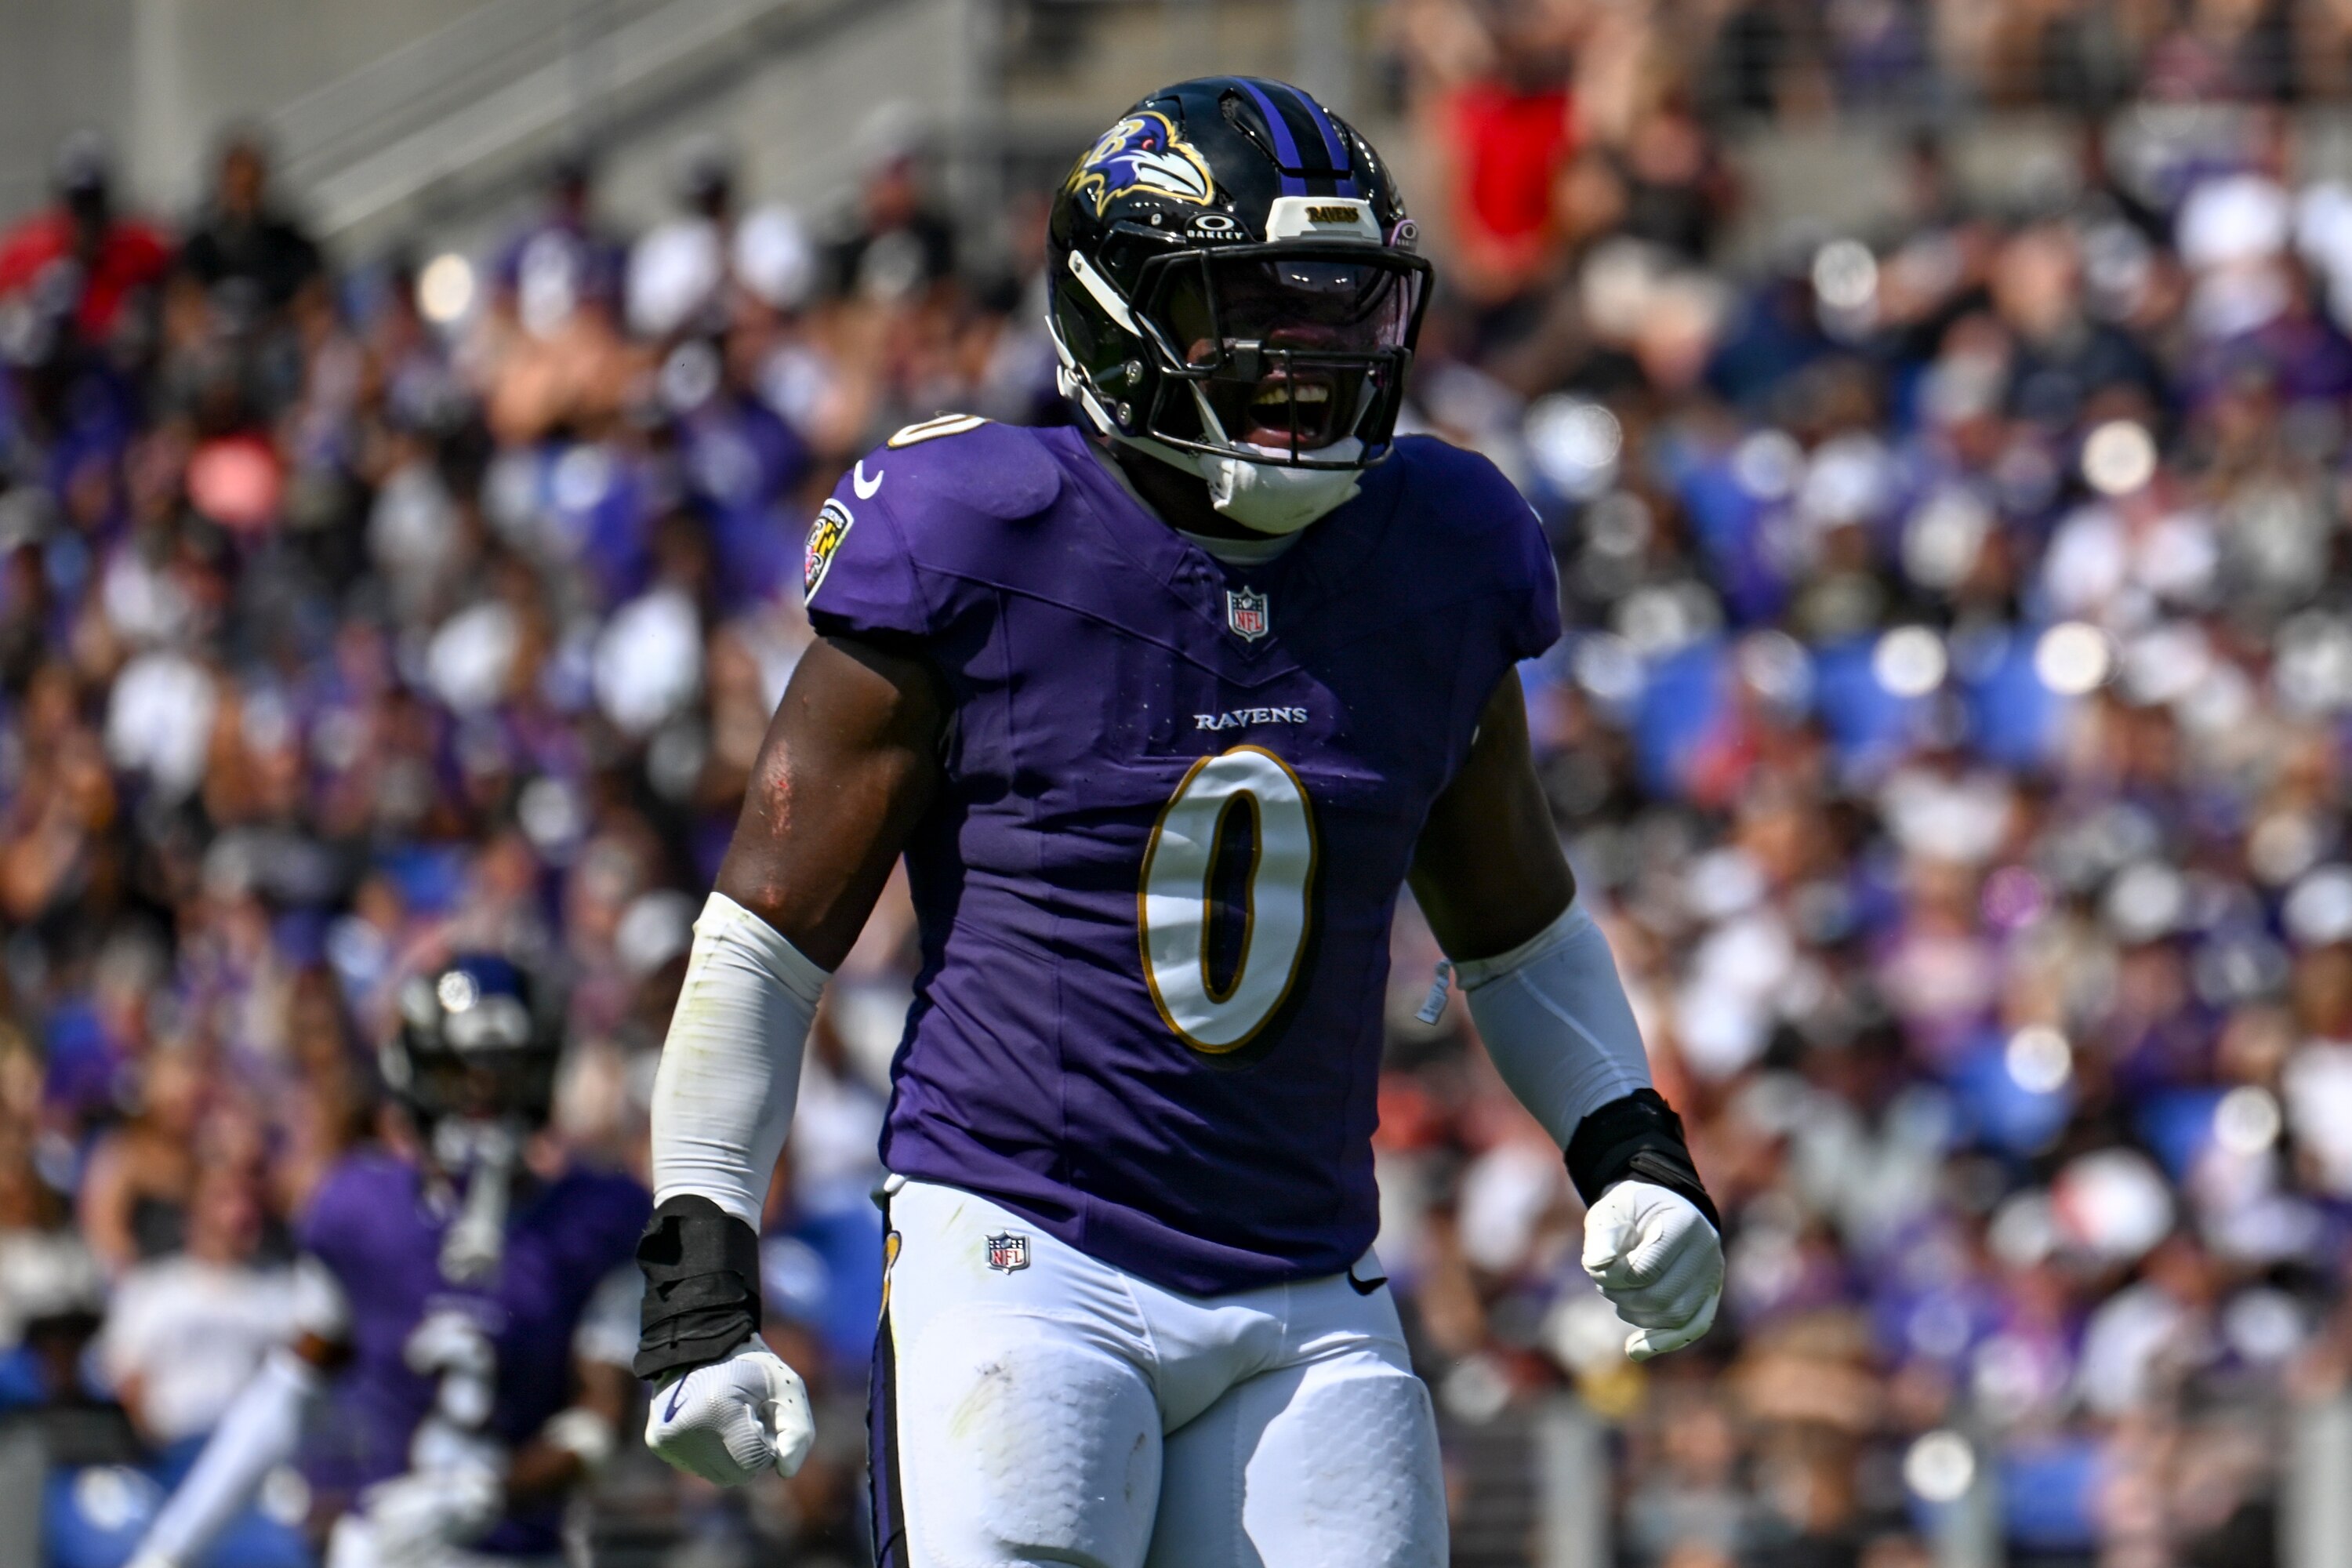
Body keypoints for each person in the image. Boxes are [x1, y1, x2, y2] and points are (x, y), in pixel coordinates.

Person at [632, 76, 1725, 1567]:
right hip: (1025, 1246)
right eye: (1253, 309)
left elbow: (1518, 933)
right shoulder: (979, 533)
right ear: (1115, 317)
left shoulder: (1440, 549)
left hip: (1307, 1277)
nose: (1309, 361)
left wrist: (1634, 1149)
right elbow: (763, 945)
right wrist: (699, 1285)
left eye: (1343, 312)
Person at [125, 951, 649, 1568]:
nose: (483, 1097)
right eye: (459, 1073)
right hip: (382, 1552)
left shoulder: (595, 1221)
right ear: (415, 1073)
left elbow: (602, 1419)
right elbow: (288, 1394)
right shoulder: (361, 1210)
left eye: (505, 1074)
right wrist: (168, 1549)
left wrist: (489, 1494)